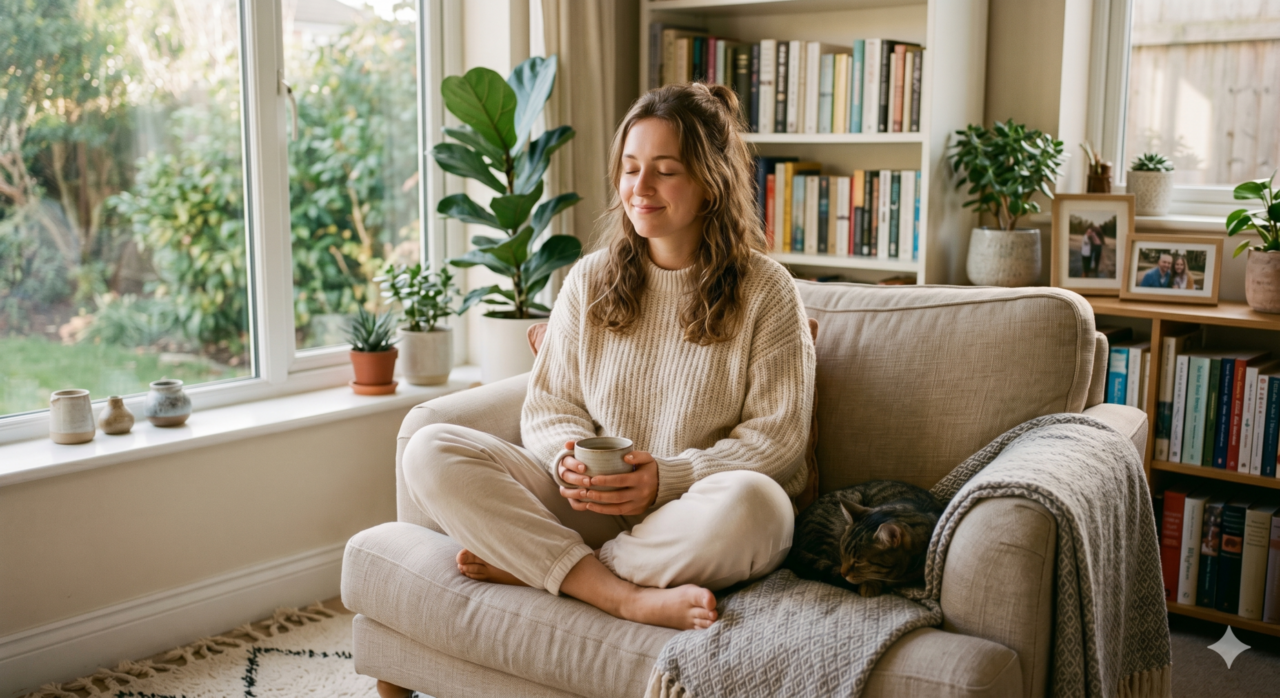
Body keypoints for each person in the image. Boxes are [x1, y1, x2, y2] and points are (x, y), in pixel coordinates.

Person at [401, 83, 815, 632]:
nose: (639, 187)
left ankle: (553, 569)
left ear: (710, 185)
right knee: (431, 446)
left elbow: (778, 439)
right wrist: (565, 460)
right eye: (630, 167)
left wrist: (667, 477)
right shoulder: (589, 279)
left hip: (691, 517)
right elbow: (550, 405)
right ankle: (620, 595)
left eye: (665, 170)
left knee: (760, 505)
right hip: (590, 508)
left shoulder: (768, 290)